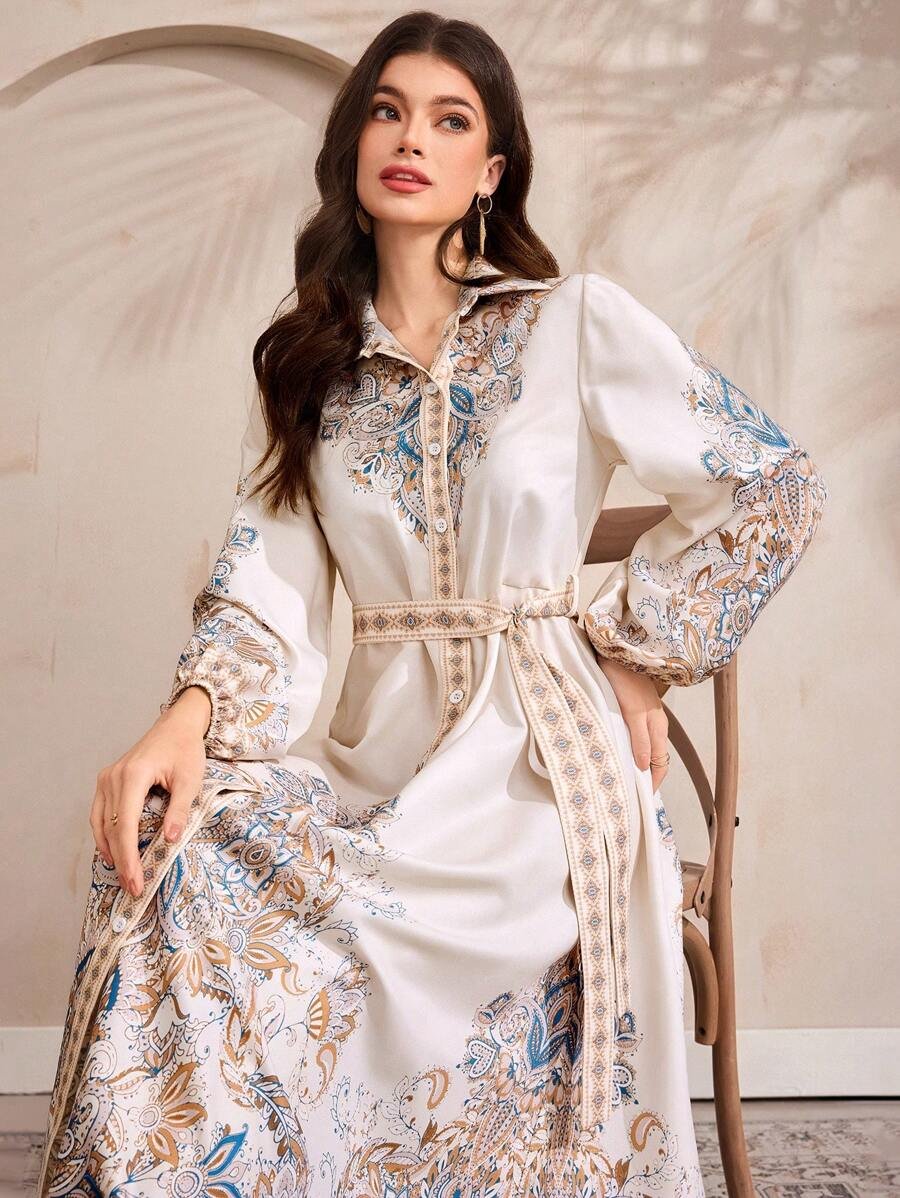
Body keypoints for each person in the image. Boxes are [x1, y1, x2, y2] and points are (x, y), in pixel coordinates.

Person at [37, 11, 828, 1197]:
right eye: (388, 111)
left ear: (489, 171)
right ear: (354, 145)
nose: (412, 138)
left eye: (450, 121)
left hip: (541, 772)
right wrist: (183, 721)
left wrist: (638, 652)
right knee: (170, 846)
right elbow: (267, 583)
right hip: (379, 771)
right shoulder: (309, 367)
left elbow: (770, 481)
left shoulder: (571, 321)